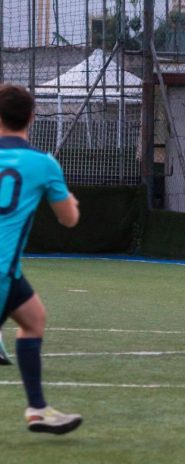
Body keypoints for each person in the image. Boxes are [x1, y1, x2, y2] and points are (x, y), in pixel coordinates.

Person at [0, 84, 83, 434]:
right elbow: (69, 219)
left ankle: (37, 409)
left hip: (9, 272)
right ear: (32, 117)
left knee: (33, 317)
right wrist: (71, 202)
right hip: (2, 270)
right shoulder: (43, 163)